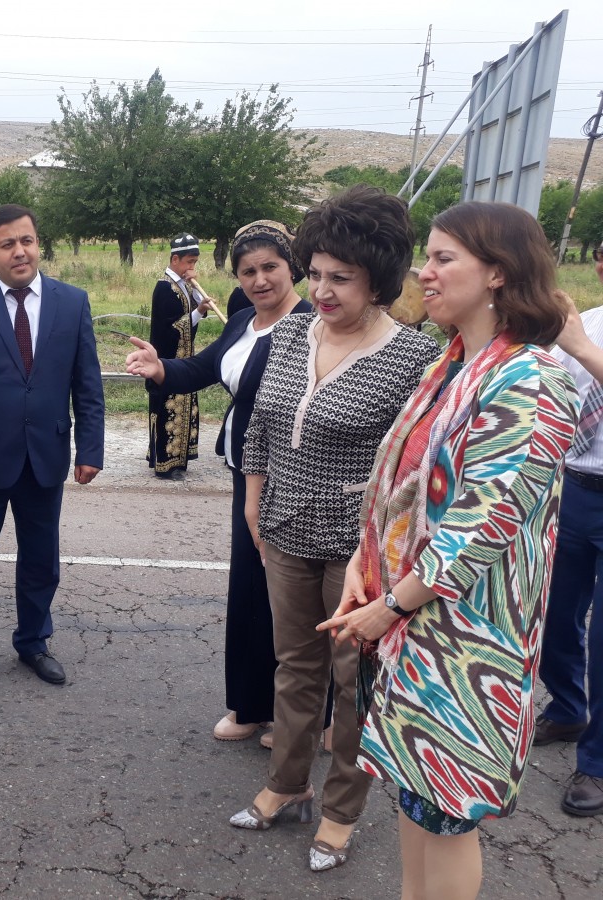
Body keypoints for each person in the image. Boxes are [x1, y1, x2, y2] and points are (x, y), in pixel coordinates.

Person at [320, 201, 576, 899]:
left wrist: (389, 607)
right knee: (417, 790)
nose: (424, 274)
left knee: (449, 807)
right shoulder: (453, 364)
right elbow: (398, 486)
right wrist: (363, 567)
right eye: (426, 258)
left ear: (497, 272)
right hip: (417, 620)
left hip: (468, 638)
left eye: (443, 259)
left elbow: (483, 525)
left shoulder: (532, 379)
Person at [228, 185, 440, 873]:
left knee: (353, 684)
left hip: (360, 548)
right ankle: (287, 785)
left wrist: (388, 548)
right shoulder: (293, 331)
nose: (320, 290)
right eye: (315, 273)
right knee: (294, 667)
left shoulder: (413, 358)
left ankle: (342, 812)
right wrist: (254, 500)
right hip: (284, 526)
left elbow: (413, 470)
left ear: (379, 279)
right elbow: (260, 421)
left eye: (340, 278)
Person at [127, 219, 309, 745]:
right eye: (248, 271)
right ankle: (250, 705)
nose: (259, 279)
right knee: (249, 589)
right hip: (245, 473)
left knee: (289, 598)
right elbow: (204, 369)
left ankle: (297, 716)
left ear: (292, 267)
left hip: (293, 477)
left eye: (270, 267)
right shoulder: (244, 320)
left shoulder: (311, 324)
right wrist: (160, 368)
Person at [0, 204, 105, 695]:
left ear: (37, 244)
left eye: (26, 240)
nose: (19, 251)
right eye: (7, 244)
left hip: (45, 454)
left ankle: (33, 642)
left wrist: (90, 448)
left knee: (41, 560)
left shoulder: (72, 303)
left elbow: (87, 383)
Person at [532, 242, 603, 818]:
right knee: (553, 613)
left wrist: (581, 348)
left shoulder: (582, 335)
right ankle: (568, 707)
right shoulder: (587, 322)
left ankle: (598, 762)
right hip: (575, 485)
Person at [145, 233, 210, 480]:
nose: (192, 267)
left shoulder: (182, 284)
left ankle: (180, 459)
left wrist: (197, 294)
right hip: (167, 360)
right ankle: (166, 464)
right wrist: (199, 312)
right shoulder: (164, 288)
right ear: (175, 260)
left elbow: (191, 311)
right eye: (189, 262)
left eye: (195, 262)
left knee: (183, 407)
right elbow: (170, 328)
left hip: (182, 358)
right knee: (167, 410)